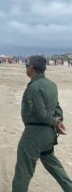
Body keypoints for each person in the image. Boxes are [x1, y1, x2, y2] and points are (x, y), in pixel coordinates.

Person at [12, 55, 72, 191]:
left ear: (32, 68)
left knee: (23, 171)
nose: (26, 68)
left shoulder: (34, 87)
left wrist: (56, 121)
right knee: (54, 166)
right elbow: (57, 108)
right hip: (49, 135)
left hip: (34, 135)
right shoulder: (52, 85)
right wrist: (58, 121)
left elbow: (41, 114)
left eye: (27, 66)